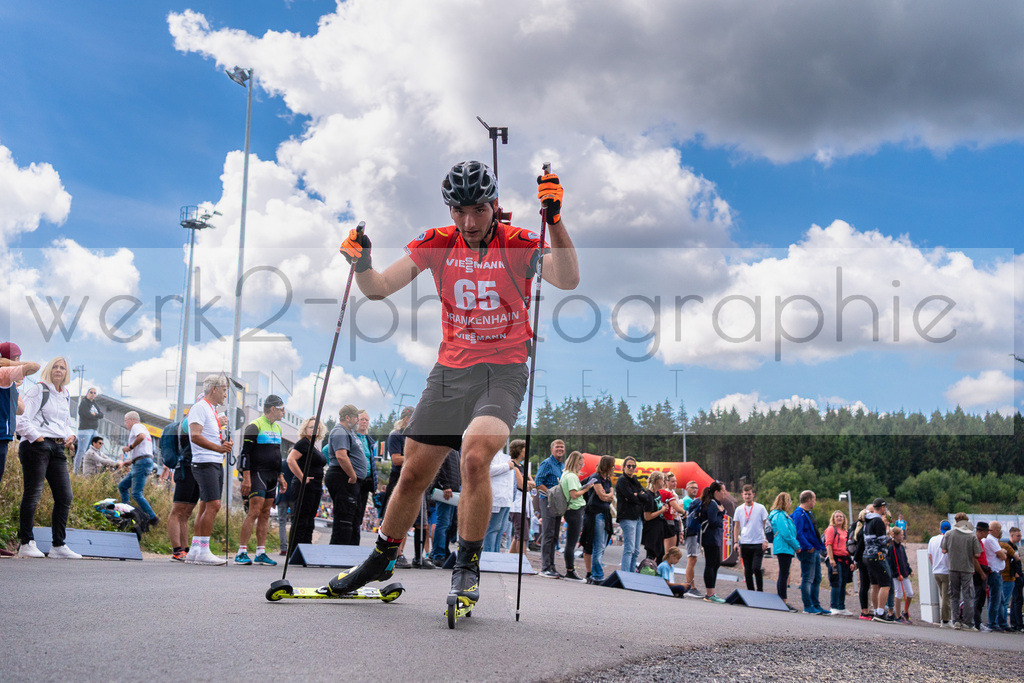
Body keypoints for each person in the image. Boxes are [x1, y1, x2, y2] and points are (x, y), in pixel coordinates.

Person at [325, 160, 578, 613]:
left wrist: (554, 220)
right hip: (449, 373)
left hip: (501, 372)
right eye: (459, 211)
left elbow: (568, 277)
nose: (469, 222)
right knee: (413, 475)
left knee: (476, 455)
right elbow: (378, 288)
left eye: (478, 210)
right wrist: (362, 262)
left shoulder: (518, 242)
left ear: (493, 205)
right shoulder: (436, 243)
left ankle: (467, 566)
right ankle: (382, 558)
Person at [16, 357, 80, 559]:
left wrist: (71, 435)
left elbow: (64, 423)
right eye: (55, 366)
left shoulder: (65, 394)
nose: (59, 370)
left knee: (65, 496)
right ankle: (26, 542)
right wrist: (39, 438)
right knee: (33, 494)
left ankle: (58, 545)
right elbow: (21, 419)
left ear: (67, 372)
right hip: (36, 446)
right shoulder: (39, 390)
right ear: (48, 370)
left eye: (62, 367)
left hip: (58, 447)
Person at [184, 375, 233, 565]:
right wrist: (218, 448)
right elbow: (195, 436)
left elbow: (205, 436)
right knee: (214, 505)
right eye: (224, 390)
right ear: (214, 389)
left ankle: (195, 549)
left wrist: (220, 443)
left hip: (212, 460)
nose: (225, 395)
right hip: (205, 462)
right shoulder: (200, 407)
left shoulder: (211, 409)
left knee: (205, 505)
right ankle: (203, 551)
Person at [235, 395, 288, 566]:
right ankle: (241, 552)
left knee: (265, 514)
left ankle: (260, 553)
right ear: (272, 409)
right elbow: (245, 454)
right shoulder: (255, 425)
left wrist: (280, 476)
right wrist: (246, 477)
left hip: (272, 475)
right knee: (254, 512)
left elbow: (277, 454)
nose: (283, 412)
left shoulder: (278, 428)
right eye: (281, 408)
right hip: (257, 474)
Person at [0, 342, 40, 496]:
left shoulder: (8, 382)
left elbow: (20, 409)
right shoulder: (5, 373)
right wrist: (9, 364)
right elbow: (34, 366)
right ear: (15, 358)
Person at [324, 405, 366, 546]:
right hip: (343, 477)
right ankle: (339, 551)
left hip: (350, 478)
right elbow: (341, 456)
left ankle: (350, 551)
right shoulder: (340, 431)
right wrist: (352, 475)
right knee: (344, 518)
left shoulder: (349, 432)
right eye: (356, 417)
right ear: (347, 417)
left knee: (353, 518)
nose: (357, 421)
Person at [286, 417, 327, 548]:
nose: (314, 430)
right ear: (305, 429)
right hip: (305, 486)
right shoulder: (302, 443)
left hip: (315, 486)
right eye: (311, 427)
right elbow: (290, 460)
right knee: (301, 518)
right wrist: (302, 477)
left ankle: (306, 548)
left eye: (317, 428)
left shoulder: (313, 444)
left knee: (309, 518)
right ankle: (295, 550)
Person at [941, 512, 982, 630]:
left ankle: (956, 621)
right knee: (968, 595)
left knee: (954, 595)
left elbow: (943, 550)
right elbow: (978, 554)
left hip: (953, 567)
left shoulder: (949, 534)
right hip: (967, 568)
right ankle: (968, 622)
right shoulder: (972, 536)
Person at [118, 411, 159, 528]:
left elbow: (141, 437)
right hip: (140, 462)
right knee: (123, 486)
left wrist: (129, 447)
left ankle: (152, 517)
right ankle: (126, 512)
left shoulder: (137, 427)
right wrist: (130, 461)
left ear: (131, 420)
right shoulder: (144, 428)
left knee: (136, 493)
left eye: (125, 421)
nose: (125, 424)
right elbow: (144, 450)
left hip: (141, 463)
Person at [559, 451, 594, 582]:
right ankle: (570, 571)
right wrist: (587, 488)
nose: (581, 466)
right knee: (571, 543)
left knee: (570, 542)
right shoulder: (572, 476)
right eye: (580, 464)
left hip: (571, 510)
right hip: (575, 509)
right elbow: (574, 494)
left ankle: (570, 570)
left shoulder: (565, 474)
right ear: (575, 463)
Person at [792, 490, 828, 615]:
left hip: (814, 549)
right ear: (808, 500)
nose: (815, 502)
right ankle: (808, 606)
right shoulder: (799, 514)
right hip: (808, 550)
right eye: (814, 499)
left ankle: (816, 605)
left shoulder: (808, 513)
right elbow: (798, 532)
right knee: (807, 578)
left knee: (817, 578)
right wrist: (808, 546)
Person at [581, 454, 615, 584]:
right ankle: (597, 575)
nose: (613, 468)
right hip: (596, 514)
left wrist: (608, 496)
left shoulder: (607, 479)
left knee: (602, 545)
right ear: (607, 466)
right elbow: (602, 496)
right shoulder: (595, 477)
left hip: (605, 514)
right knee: (598, 545)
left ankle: (596, 573)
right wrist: (608, 496)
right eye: (612, 466)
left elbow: (611, 495)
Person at [536, 439, 567, 578]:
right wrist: (551, 493)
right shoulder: (547, 463)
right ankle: (545, 567)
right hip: (548, 501)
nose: (560, 449)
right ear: (552, 449)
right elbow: (538, 482)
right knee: (548, 533)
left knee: (555, 535)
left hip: (558, 503)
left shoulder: (562, 465)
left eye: (562, 447)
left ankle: (552, 566)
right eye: (557, 447)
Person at [167, 418, 197, 562]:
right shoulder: (189, 421)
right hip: (185, 468)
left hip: (196, 469)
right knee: (177, 511)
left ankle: (184, 549)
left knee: (186, 513)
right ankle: (176, 550)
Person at [732, 484, 769, 592]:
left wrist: (765, 540)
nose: (747, 496)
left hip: (758, 542)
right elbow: (736, 526)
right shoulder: (739, 509)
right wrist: (735, 542)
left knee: (756, 568)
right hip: (745, 542)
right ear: (742, 495)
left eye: (749, 494)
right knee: (747, 570)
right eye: (745, 494)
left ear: (753, 495)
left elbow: (765, 525)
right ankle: (750, 591)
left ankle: (760, 590)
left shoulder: (760, 508)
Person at [427, 449, 461, 566]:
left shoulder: (455, 449)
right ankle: (438, 554)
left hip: (453, 491)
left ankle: (443, 552)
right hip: (446, 491)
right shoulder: (446, 444)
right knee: (443, 523)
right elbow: (439, 466)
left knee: (449, 524)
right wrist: (445, 485)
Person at [864, 498, 894, 622]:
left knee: (875, 584)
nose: (885, 510)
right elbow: (882, 541)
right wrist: (889, 539)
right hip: (878, 555)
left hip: (867, 555)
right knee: (886, 584)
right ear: (882, 507)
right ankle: (881, 612)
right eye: (885, 507)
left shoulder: (867, 521)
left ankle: (876, 610)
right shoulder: (879, 521)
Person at [768, 492, 799, 612]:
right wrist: (796, 546)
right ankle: (783, 600)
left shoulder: (780, 514)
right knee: (784, 573)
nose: (790, 503)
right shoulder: (780, 515)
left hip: (784, 547)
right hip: (784, 546)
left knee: (784, 573)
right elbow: (786, 533)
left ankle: (782, 599)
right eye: (789, 501)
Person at [614, 456, 645, 572]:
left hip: (638, 518)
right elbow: (631, 496)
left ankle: (632, 574)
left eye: (633, 466)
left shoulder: (635, 480)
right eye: (629, 466)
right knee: (629, 548)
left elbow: (645, 496)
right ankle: (625, 574)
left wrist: (637, 495)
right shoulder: (622, 480)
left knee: (636, 550)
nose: (631, 468)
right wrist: (637, 496)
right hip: (627, 517)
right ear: (623, 467)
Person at [483, 445, 516, 553]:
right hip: (496, 497)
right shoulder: (490, 452)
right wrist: (507, 466)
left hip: (506, 499)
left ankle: (495, 555)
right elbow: (489, 470)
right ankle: (489, 555)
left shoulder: (504, 455)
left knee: (501, 530)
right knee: (493, 529)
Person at [353, 411, 379, 542]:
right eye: (362, 419)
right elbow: (327, 450)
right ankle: (350, 543)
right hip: (354, 480)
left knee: (360, 514)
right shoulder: (351, 436)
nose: (364, 422)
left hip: (366, 481)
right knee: (352, 512)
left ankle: (355, 542)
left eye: (367, 420)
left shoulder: (369, 440)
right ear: (356, 420)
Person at [700, 481, 727, 603]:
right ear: (716, 492)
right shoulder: (712, 504)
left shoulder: (715, 503)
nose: (724, 493)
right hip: (709, 538)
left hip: (714, 538)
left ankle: (712, 592)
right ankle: (709, 593)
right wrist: (721, 514)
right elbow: (713, 522)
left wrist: (721, 512)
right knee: (711, 564)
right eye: (723, 491)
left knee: (716, 564)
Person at [823, 510, 853, 615]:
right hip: (835, 558)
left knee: (843, 583)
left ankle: (841, 606)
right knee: (836, 582)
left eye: (841, 516)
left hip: (845, 559)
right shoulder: (831, 529)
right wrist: (831, 559)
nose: (839, 518)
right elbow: (829, 544)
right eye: (837, 516)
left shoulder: (845, 531)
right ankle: (834, 606)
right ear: (833, 519)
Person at [507, 439, 534, 556]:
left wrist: (527, 484)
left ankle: (510, 559)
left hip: (524, 505)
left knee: (518, 535)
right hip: (517, 505)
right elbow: (521, 485)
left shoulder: (522, 466)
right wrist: (527, 484)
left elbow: (533, 483)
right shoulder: (513, 466)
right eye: (524, 449)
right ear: (519, 450)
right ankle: (522, 563)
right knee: (522, 535)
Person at [981, 520, 1008, 632]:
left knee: (1000, 599)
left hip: (995, 572)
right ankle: (993, 623)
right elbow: (1002, 556)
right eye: (998, 529)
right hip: (995, 572)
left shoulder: (990, 540)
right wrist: (1003, 552)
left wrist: (1001, 552)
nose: (1000, 531)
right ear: (994, 530)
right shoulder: (991, 540)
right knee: (995, 599)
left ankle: (1001, 622)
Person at [926, 520, 952, 628]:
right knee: (946, 596)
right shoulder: (949, 539)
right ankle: (945, 620)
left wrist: (934, 566)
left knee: (942, 595)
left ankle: (945, 618)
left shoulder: (933, 539)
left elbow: (930, 556)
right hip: (946, 570)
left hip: (936, 570)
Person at [74, 387, 103, 474]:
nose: (92, 394)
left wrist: (95, 415)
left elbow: (101, 415)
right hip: (85, 430)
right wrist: (95, 416)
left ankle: (90, 472)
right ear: (87, 393)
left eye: (94, 393)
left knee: (95, 450)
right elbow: (86, 414)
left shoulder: (95, 404)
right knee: (82, 451)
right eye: (91, 392)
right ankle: (76, 472)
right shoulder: (84, 403)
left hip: (94, 430)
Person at [887, 526, 913, 623]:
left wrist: (909, 570)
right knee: (899, 593)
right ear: (896, 535)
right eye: (901, 534)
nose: (903, 536)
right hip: (897, 575)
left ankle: (905, 612)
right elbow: (891, 563)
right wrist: (897, 574)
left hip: (904, 574)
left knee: (910, 593)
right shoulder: (891, 548)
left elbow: (904, 560)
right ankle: (897, 616)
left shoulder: (901, 547)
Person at [641, 471, 667, 565]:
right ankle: (648, 573)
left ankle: (656, 574)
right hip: (651, 529)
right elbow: (647, 517)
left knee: (660, 553)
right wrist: (661, 510)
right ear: (657, 480)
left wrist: (663, 508)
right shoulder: (648, 495)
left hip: (659, 528)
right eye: (663, 480)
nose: (664, 482)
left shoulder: (657, 494)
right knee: (651, 554)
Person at [680, 480, 701, 595]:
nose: (695, 490)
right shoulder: (687, 501)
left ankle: (690, 585)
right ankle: (690, 586)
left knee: (693, 558)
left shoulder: (692, 501)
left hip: (693, 532)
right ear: (687, 489)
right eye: (692, 487)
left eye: (696, 488)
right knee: (692, 558)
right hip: (691, 532)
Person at [851, 508, 872, 620]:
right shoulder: (864, 530)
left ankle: (865, 610)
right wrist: (855, 560)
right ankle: (864, 611)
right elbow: (860, 547)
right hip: (863, 559)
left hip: (861, 559)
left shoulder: (859, 529)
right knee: (865, 585)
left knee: (865, 585)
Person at [1007, 527, 1023, 632]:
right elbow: (1009, 562)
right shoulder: (1009, 547)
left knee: (1017, 600)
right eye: (1018, 536)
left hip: (1019, 574)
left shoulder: (1015, 547)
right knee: (1017, 600)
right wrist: (1015, 573)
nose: (1020, 537)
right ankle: (1017, 623)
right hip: (1015, 576)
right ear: (1012, 535)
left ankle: (1016, 622)